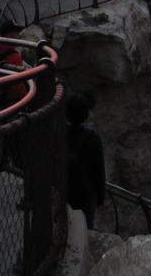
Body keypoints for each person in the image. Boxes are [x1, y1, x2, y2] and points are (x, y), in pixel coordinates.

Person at [65, 92, 106, 229]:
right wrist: (100, 195)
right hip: (84, 192)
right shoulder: (93, 138)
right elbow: (99, 170)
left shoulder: (59, 134)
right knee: (85, 227)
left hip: (64, 187)